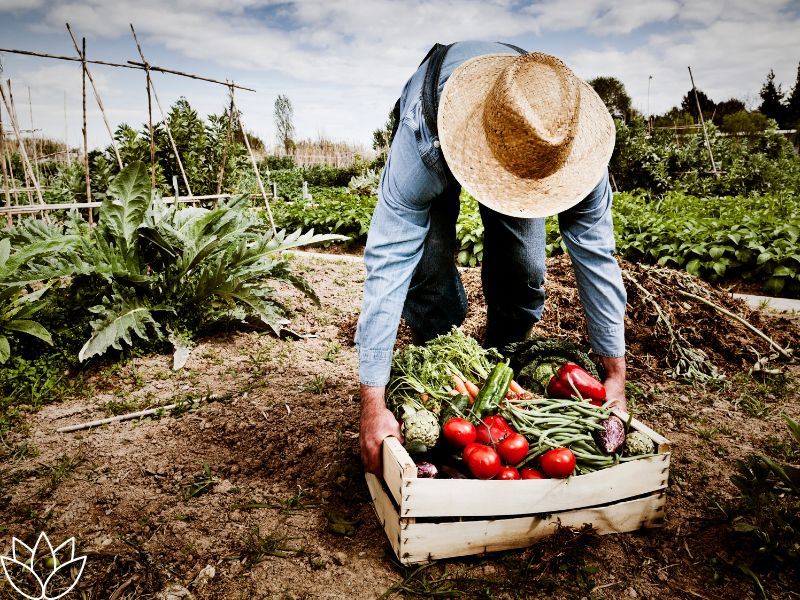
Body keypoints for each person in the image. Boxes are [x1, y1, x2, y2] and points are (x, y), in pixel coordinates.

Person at [356, 41, 628, 474]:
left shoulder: (565, 142)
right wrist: (372, 400)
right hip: (439, 120)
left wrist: (616, 374)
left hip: (525, 140)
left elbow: (596, 254)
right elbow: (389, 259)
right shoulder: (422, 140)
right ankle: (441, 366)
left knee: (524, 268)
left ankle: (502, 363)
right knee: (426, 273)